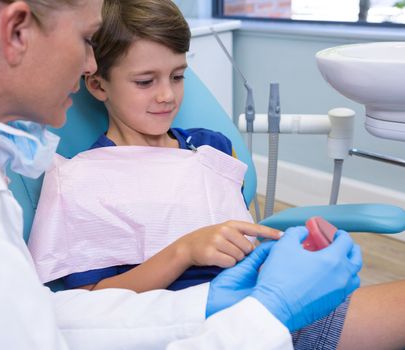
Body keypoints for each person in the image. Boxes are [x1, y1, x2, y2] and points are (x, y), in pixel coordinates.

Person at [0, 0, 365, 349]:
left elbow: (40, 316)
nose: (92, 61)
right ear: (17, 31)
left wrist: (207, 303)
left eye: (176, 75)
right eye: (87, 40)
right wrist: (266, 316)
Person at [28, 1, 405, 349]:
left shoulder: (210, 148)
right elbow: (92, 307)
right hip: (207, 322)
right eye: (146, 81)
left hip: (271, 292)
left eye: (177, 76)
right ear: (97, 84)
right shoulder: (80, 181)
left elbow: (241, 229)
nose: (167, 96)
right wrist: (184, 251)